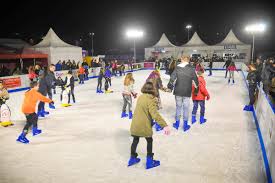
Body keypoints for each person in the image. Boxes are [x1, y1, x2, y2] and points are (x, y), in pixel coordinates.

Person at [128, 81, 170, 169]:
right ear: (153, 89)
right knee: (149, 140)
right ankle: (150, 162)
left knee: (135, 139)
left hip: (135, 124)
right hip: (144, 125)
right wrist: (164, 125)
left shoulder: (140, 97)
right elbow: (154, 114)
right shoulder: (151, 99)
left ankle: (132, 158)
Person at [167, 55, 199, 132]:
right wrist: (196, 89)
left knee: (178, 107)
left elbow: (172, 79)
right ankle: (185, 125)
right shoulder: (191, 69)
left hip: (178, 91)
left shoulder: (177, 68)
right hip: (187, 91)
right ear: (188, 60)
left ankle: (177, 124)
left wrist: (170, 87)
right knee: (186, 108)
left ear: (182, 60)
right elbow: (195, 80)